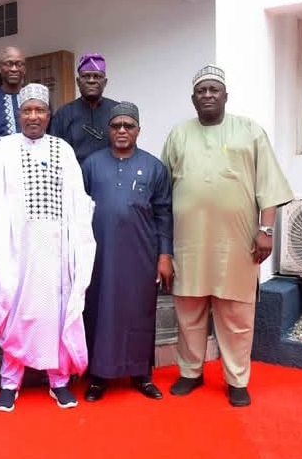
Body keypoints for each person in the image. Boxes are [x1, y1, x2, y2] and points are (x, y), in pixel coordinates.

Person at [161, 64, 293, 407]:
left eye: (213, 90)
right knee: (188, 311)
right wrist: (163, 248)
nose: (207, 95)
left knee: (236, 314)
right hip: (189, 243)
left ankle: (237, 379)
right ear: (193, 98)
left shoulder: (250, 131)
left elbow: (268, 185)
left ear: (225, 96)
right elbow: (163, 192)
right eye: (201, 91)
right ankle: (190, 372)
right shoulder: (178, 135)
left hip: (237, 243)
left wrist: (266, 230)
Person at [0, 83, 96, 412]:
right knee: (17, 312)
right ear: (19, 115)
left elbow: (78, 201)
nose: (33, 116)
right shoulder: (1, 151)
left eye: (40, 110)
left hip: (57, 249)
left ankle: (58, 381)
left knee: (57, 315)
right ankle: (9, 382)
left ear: (49, 115)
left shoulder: (63, 150)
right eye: (27, 110)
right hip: (17, 248)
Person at [81, 102, 173, 402]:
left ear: (138, 130)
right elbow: (78, 210)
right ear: (108, 130)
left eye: (128, 126)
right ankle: (98, 376)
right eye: (116, 126)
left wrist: (164, 255)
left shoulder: (154, 167)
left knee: (139, 311)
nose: (122, 130)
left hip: (140, 254)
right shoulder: (92, 165)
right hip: (100, 255)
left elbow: (164, 213)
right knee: (98, 310)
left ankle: (141, 374)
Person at [50, 52, 118, 164]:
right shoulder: (63, 114)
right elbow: (53, 153)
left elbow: (128, 150)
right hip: (74, 173)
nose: (91, 80)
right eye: (86, 76)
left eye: (97, 76)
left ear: (105, 82)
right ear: (78, 82)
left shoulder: (117, 112)